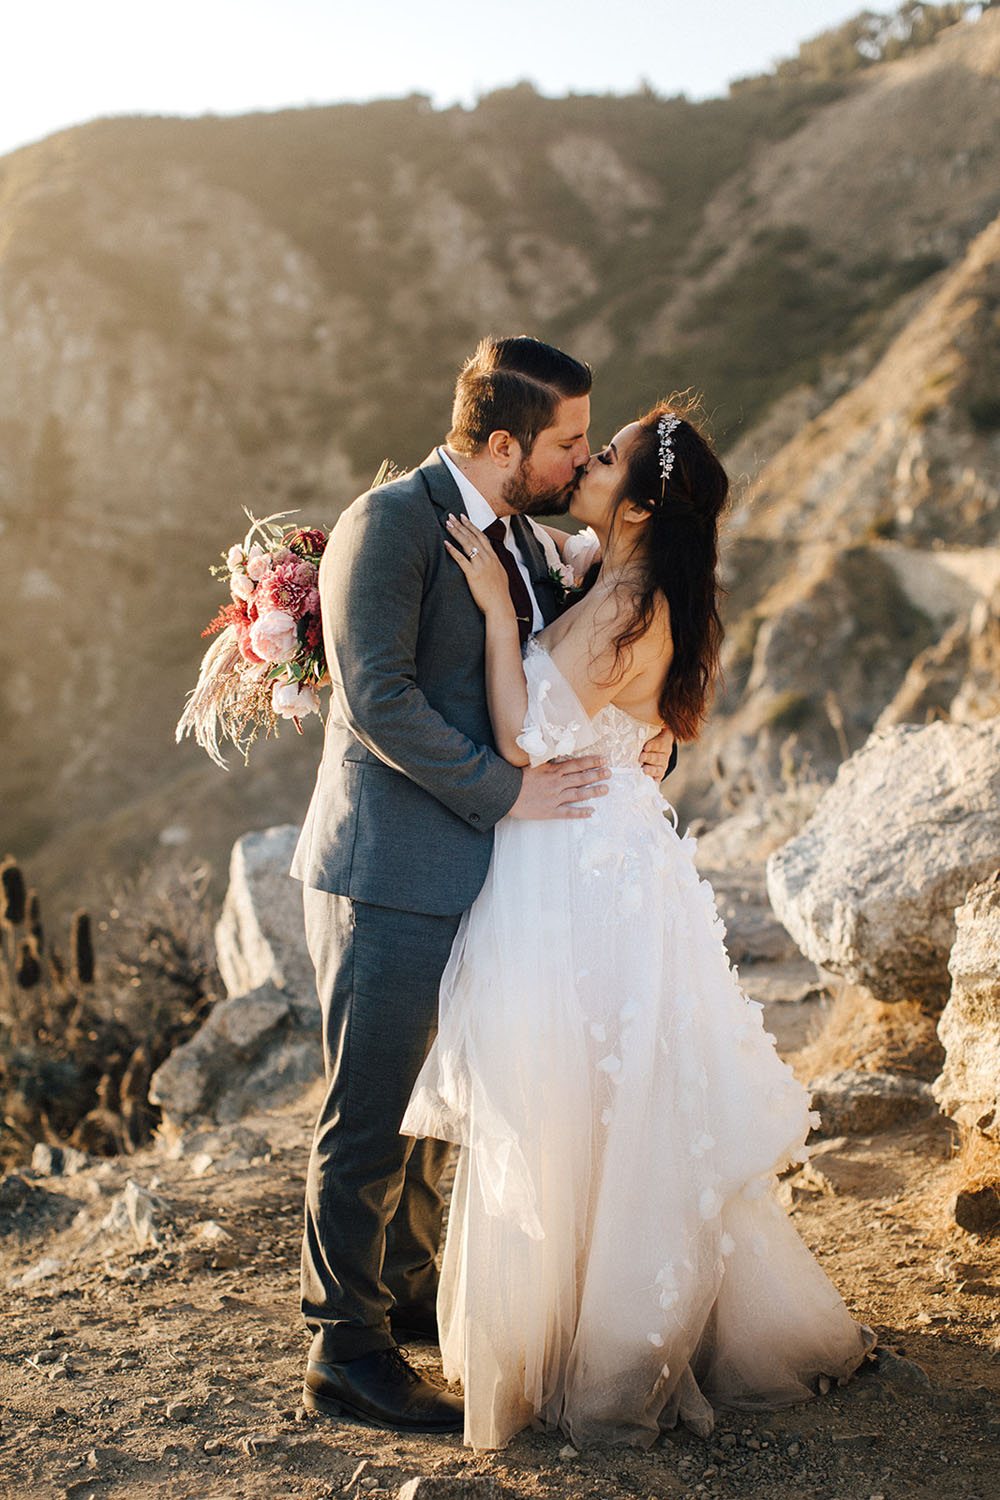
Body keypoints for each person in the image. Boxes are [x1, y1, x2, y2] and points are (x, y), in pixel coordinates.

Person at [402, 398, 876, 1450]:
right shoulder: (614, 581)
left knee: (582, 1098)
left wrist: (490, 612)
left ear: (642, 501)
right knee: (589, 1095)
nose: (588, 461)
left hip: (576, 867)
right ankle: (580, 1320)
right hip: (588, 851)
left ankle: (603, 1345)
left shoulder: (628, 607)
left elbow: (525, 734)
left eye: (605, 456)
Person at [289, 336, 676, 1433]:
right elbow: (378, 697)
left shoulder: (525, 537)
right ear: (502, 442)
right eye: (563, 442)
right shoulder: (391, 524)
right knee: (367, 1115)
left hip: (479, 872)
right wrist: (504, 796)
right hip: (390, 867)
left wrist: (645, 746)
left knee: (429, 1108)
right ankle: (342, 1348)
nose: (576, 459)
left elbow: (588, 672)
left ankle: (403, 1296)